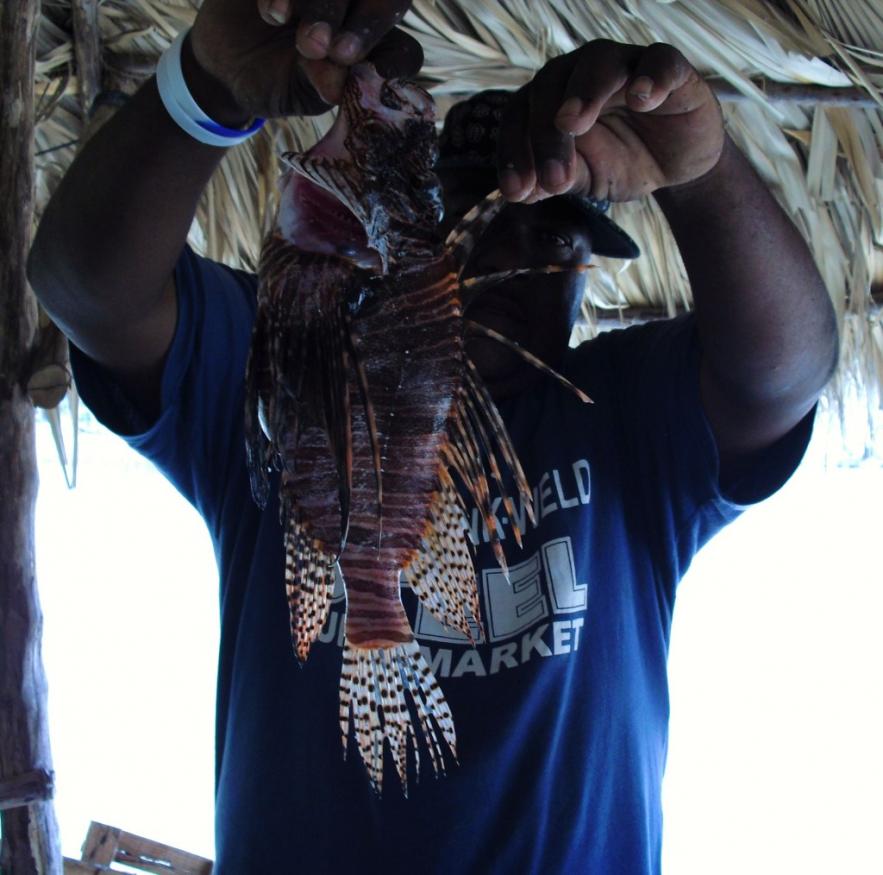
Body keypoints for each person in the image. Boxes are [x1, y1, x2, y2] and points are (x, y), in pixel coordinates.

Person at [28, 1, 838, 872]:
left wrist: (702, 172)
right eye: (466, 217)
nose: (507, 256)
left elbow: (786, 370)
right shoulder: (290, 359)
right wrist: (203, 91)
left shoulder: (618, 411)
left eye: (549, 234)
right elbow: (84, 287)